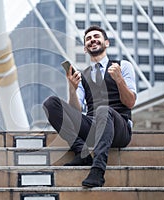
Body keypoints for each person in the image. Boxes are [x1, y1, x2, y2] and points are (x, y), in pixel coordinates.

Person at [42, 25, 137, 187]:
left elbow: (130, 102)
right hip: (93, 126)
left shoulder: (123, 66)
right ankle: (81, 151)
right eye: (88, 39)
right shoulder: (82, 75)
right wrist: (72, 88)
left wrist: (119, 79)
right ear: (85, 49)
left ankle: (98, 170)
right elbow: (76, 110)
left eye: (96, 37)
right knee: (50, 103)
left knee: (103, 110)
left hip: (119, 128)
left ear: (106, 43)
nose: (92, 40)